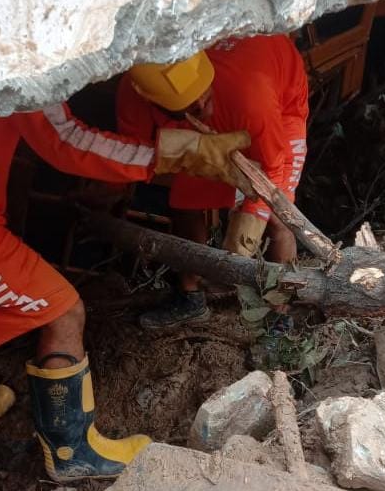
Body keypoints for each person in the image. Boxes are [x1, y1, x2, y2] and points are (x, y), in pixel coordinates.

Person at [0, 102, 249, 482]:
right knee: (63, 312)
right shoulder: (21, 61)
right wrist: (174, 153)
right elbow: (66, 140)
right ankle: (73, 453)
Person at [116, 35, 309, 328]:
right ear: (152, 102)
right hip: (225, 111)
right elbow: (129, 152)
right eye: (194, 108)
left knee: (280, 219)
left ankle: (278, 316)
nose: (205, 110)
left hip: (278, 110)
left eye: (205, 96)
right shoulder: (135, 93)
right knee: (183, 203)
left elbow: (272, 169)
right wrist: (111, 190)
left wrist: (239, 248)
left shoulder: (251, 95)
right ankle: (190, 298)